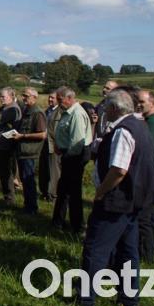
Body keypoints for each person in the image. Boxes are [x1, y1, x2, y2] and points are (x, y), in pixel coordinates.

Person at [78, 89, 154, 306]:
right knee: (127, 252)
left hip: (116, 202)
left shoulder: (123, 130)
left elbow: (119, 170)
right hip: (134, 203)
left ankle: (85, 299)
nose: (104, 111)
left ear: (114, 109)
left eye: (107, 107)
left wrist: (101, 192)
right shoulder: (140, 126)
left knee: (95, 249)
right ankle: (129, 299)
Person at [52, 86, 93, 234]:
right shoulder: (67, 112)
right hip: (68, 154)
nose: (58, 102)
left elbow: (76, 143)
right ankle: (58, 222)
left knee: (72, 191)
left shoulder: (76, 114)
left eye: (60, 99)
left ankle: (77, 226)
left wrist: (66, 157)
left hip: (75, 156)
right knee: (64, 190)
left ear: (69, 98)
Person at [137, 89, 154, 262]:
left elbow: (142, 143)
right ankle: (149, 251)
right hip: (153, 171)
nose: (139, 105)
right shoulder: (147, 121)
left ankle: (146, 255)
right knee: (149, 215)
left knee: (144, 215)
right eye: (137, 102)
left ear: (152, 103)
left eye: (142, 102)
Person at [12, 88, 46, 214]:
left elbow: (42, 134)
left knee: (29, 180)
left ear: (34, 97)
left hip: (30, 152)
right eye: (23, 96)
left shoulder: (37, 113)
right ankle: (28, 206)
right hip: (23, 151)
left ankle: (32, 208)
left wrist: (23, 136)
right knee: (25, 180)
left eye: (26, 96)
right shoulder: (26, 111)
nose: (24, 98)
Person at [39, 91, 60, 201]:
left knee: (54, 171)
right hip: (43, 144)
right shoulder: (46, 111)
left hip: (54, 145)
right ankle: (44, 192)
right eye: (49, 98)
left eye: (53, 98)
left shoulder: (60, 112)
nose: (50, 100)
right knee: (43, 169)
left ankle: (53, 195)